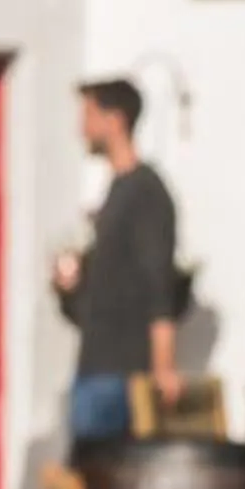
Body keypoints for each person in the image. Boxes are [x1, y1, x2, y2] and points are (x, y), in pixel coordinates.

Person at [54, 77, 186, 447]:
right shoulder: (116, 191)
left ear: (115, 120)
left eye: (88, 115)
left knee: (107, 473)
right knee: (87, 470)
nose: (81, 129)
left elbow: (159, 281)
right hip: (97, 363)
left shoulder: (146, 192)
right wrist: (70, 285)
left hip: (123, 374)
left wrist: (163, 366)